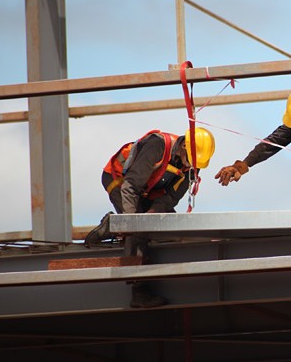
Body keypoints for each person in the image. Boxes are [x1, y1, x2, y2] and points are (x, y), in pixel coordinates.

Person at [85, 127, 215, 308]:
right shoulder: (157, 146)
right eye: (191, 161)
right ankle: (138, 291)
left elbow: (171, 197)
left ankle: (117, 224)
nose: (193, 167)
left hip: (148, 190)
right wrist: (131, 221)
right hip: (120, 181)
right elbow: (130, 186)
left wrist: (153, 214)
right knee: (139, 230)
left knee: (167, 226)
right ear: (184, 147)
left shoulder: (193, 163)